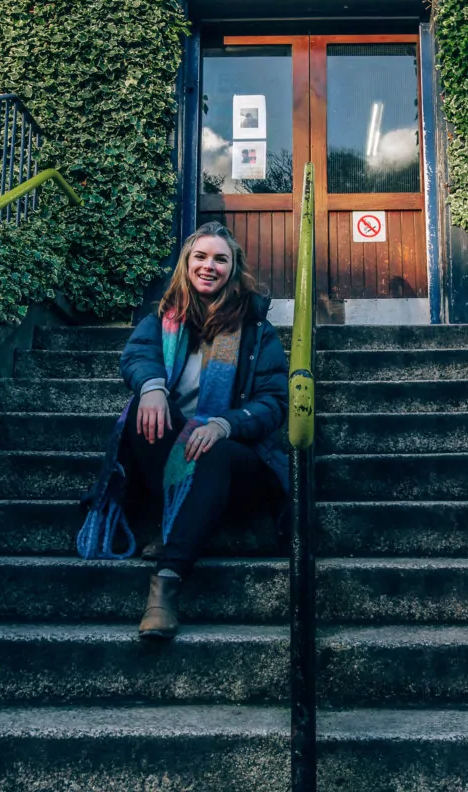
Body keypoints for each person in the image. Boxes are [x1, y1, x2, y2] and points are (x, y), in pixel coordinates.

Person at [114, 222, 289, 639]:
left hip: (235, 458)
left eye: (220, 259)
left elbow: (274, 401)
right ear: (187, 264)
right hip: (174, 451)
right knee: (144, 406)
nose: (209, 266)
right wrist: (152, 387)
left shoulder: (256, 331)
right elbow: (138, 356)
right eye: (200, 257)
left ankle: (166, 583)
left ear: (233, 268)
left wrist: (226, 424)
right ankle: (174, 515)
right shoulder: (163, 318)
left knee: (210, 447)